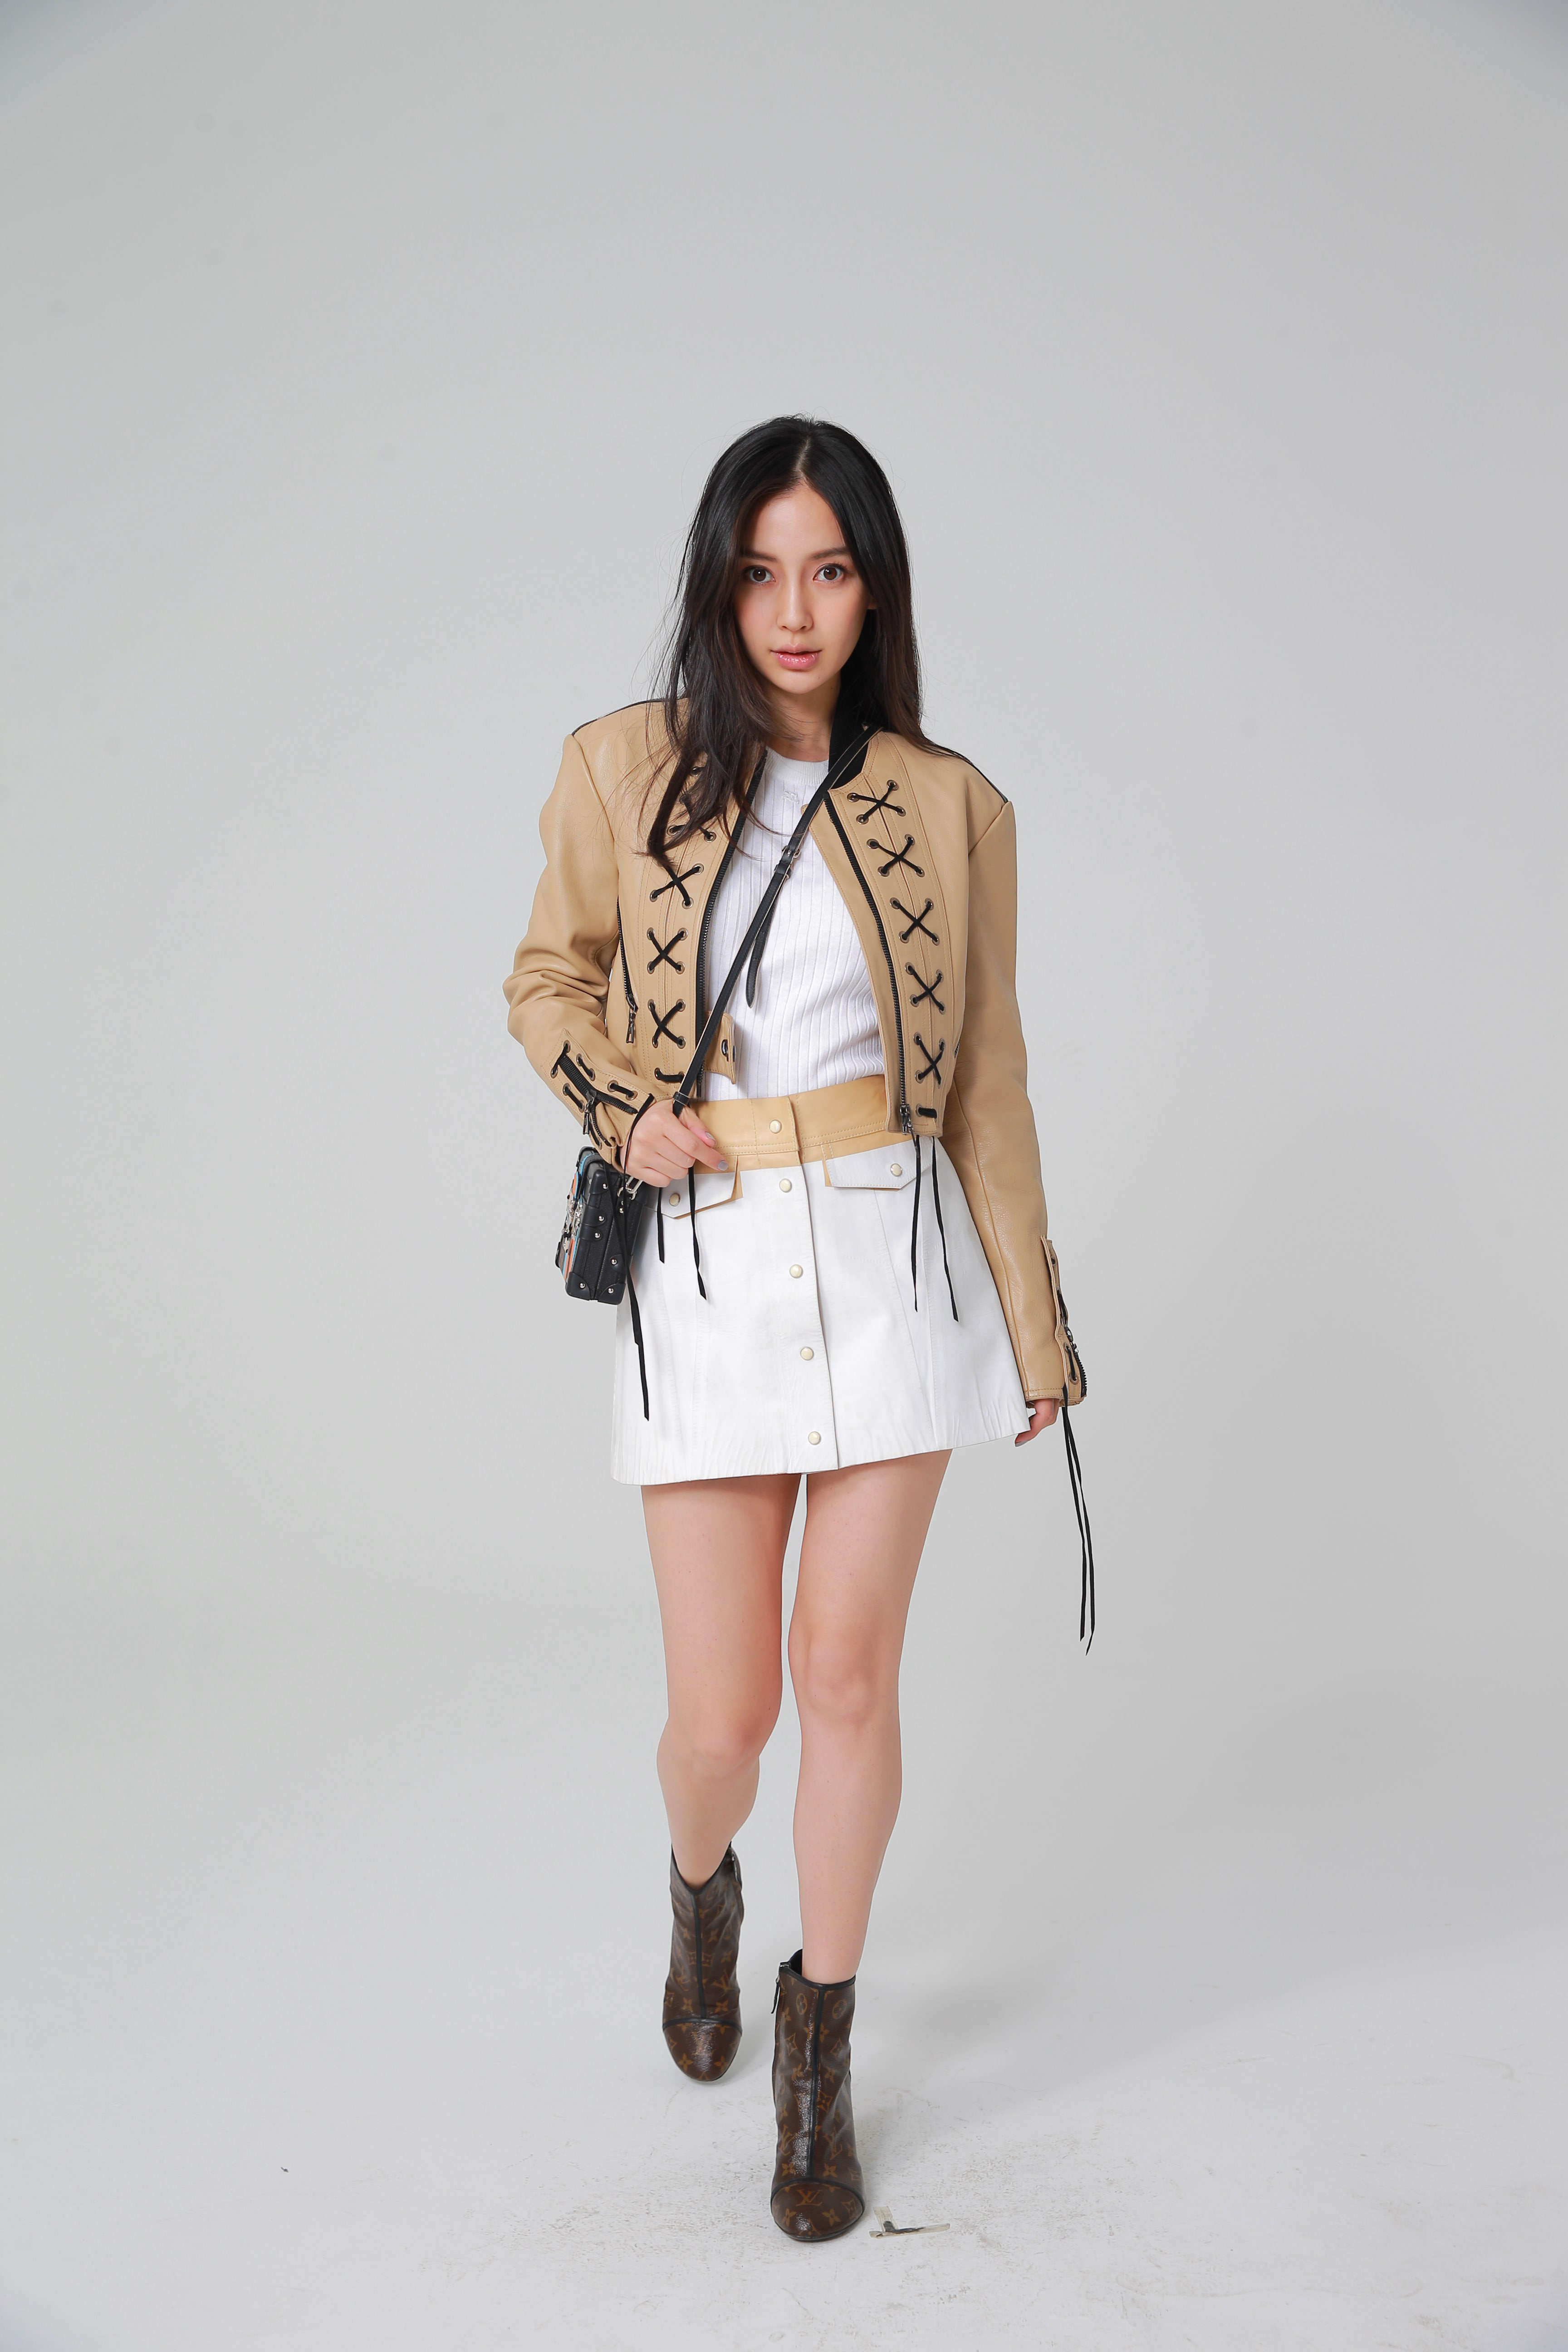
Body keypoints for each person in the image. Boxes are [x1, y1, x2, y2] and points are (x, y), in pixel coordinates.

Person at [505, 416, 1087, 2243]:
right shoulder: (621, 769)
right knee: (727, 1716)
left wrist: (1036, 1324)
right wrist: (625, 1110)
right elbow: (547, 982)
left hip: (895, 1270)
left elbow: (986, 1081)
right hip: (705, 1266)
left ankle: (817, 2052)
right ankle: (704, 1887)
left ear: (876, 588)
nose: (796, 609)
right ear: (718, 584)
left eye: (831, 569)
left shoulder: (951, 806)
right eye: (762, 571)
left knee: (846, 1676)